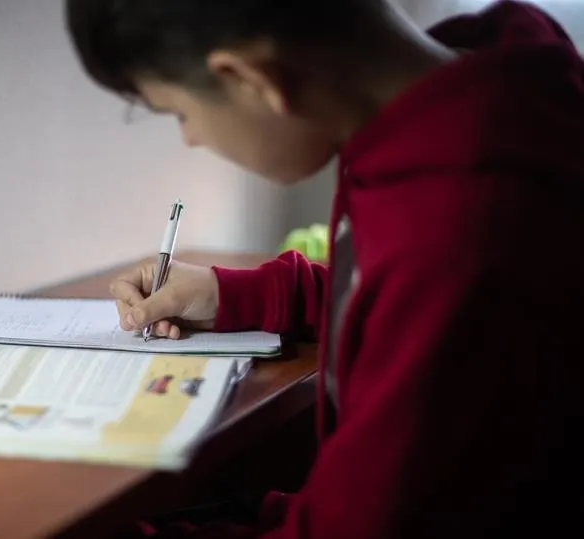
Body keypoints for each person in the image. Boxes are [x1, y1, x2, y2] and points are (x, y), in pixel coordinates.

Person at [64, 0, 584, 537]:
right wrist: (231, 294)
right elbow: (387, 299)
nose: (190, 138)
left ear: (248, 79)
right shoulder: (483, 95)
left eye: (180, 114)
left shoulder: (465, 230)